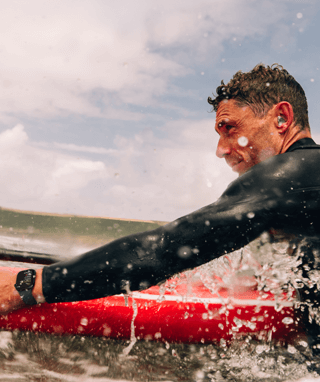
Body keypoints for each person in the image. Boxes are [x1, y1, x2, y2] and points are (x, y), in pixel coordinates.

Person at [0, 63, 320, 350]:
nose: (221, 150)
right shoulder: (305, 182)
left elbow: (161, 251)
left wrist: (30, 285)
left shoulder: (287, 177)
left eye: (229, 128)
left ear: (281, 118)